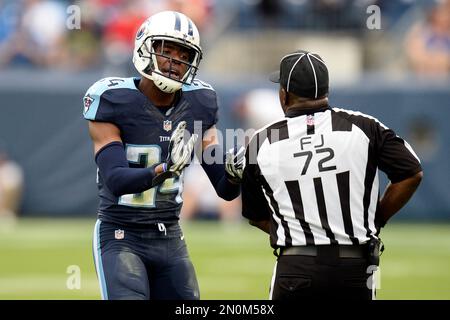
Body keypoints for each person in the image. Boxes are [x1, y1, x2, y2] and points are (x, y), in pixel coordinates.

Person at [237, 50, 423, 300]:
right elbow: (411, 172)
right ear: (326, 91)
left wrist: (296, 230)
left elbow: (255, 215)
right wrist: (376, 219)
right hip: (357, 268)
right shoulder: (364, 127)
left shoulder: (261, 141)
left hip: (296, 268)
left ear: (284, 95)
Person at [83, 11, 240, 300]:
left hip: (170, 236)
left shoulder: (201, 102)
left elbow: (224, 188)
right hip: (121, 234)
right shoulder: (112, 99)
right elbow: (116, 179)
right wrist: (164, 169)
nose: (175, 62)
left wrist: (238, 168)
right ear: (146, 48)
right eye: (167, 50)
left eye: (184, 54)